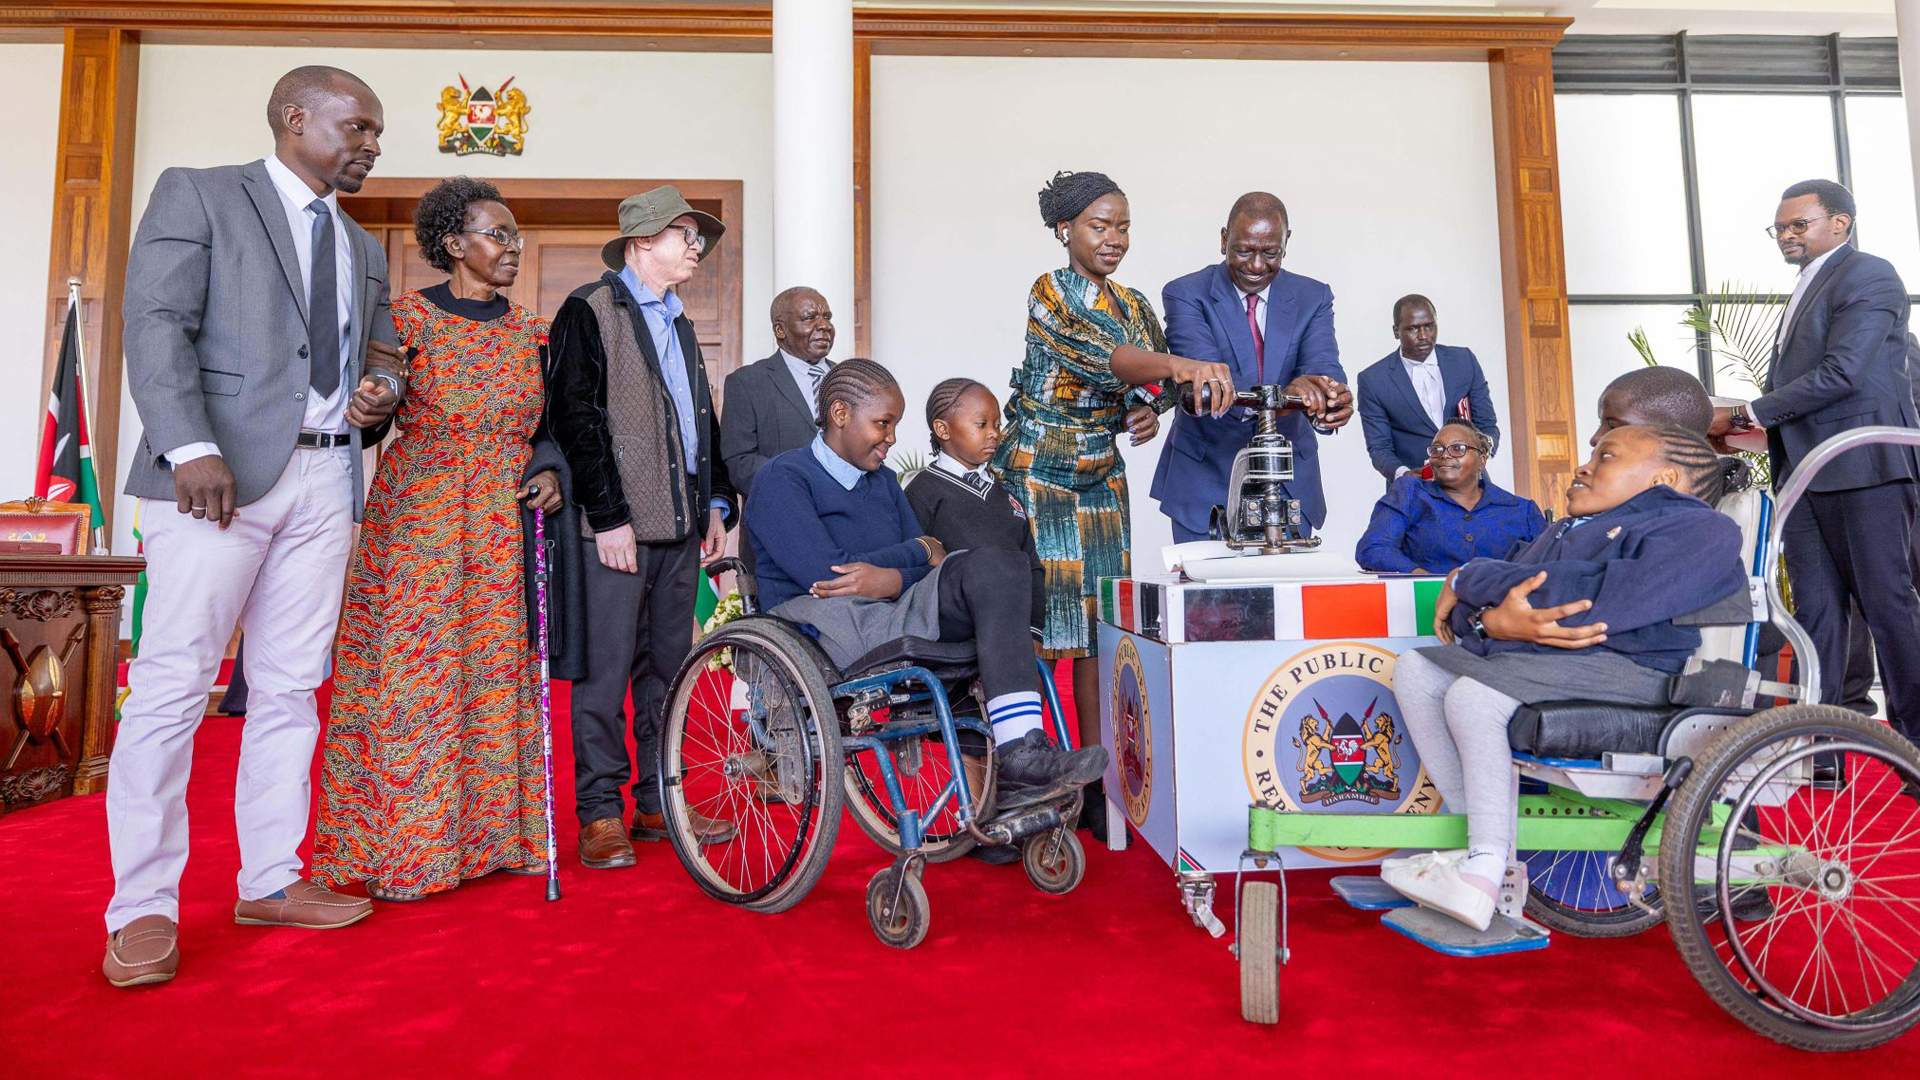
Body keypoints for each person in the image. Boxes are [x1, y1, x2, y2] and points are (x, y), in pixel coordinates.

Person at [104, 65, 404, 988]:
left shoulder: (361, 245)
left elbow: (381, 347)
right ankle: (141, 907)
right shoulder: (200, 195)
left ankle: (270, 876)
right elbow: (155, 323)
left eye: (376, 134)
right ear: (295, 118)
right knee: (172, 686)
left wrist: (380, 393)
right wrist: (188, 444)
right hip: (214, 482)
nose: (370, 145)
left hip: (326, 478)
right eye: (357, 127)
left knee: (288, 685)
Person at [1381, 425, 1748, 930]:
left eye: (1607, 456)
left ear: (1664, 478)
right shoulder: (1565, 530)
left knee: (1473, 698)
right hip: (1552, 664)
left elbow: (1587, 597)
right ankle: (1478, 848)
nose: (1584, 465)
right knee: (1417, 669)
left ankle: (1486, 867)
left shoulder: (1696, 527)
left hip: (1636, 672)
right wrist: (1490, 613)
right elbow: (1494, 610)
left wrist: (1468, 576)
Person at [311, 177, 563, 901]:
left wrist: (548, 468)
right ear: (455, 244)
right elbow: (380, 390)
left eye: (515, 238)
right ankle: (407, 848)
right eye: (496, 235)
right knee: (415, 680)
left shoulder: (532, 333)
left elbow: (550, 430)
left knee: (491, 671)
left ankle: (492, 841)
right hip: (420, 518)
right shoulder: (405, 319)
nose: (511, 248)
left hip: (499, 524)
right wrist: (373, 399)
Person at [749, 360, 1106, 797]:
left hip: (896, 610)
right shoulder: (783, 478)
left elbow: (932, 554)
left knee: (999, 562)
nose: (892, 438)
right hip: (826, 627)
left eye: (895, 424)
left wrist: (892, 574)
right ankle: (1012, 765)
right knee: (967, 569)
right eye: (883, 423)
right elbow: (829, 575)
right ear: (841, 414)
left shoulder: (880, 482)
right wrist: (913, 554)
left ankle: (1021, 752)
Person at [995, 170, 1234, 773]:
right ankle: (1027, 771)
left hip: (1101, 475)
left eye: (1123, 227)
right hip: (1040, 472)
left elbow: (1149, 382)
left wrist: (1145, 408)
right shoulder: (1047, 292)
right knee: (1040, 624)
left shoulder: (1133, 304)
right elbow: (1111, 356)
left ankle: (1098, 780)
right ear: (1064, 229)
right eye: (1100, 226)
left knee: (1099, 623)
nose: (1115, 239)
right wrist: (1177, 367)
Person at [545, 186, 738, 870]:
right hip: (617, 531)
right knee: (602, 678)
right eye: (683, 235)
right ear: (639, 244)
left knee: (667, 672)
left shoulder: (682, 322)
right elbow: (577, 422)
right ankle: (599, 812)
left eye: (696, 237)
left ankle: (659, 802)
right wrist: (608, 518)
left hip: (682, 526)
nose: (695, 247)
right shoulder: (589, 310)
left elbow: (699, 423)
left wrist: (716, 501)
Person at [1708, 179, 1920, 741]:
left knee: (1885, 602)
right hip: (1804, 476)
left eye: (1798, 224)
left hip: (1864, 468)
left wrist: (1741, 413)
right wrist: (1745, 430)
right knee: (1818, 614)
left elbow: (1844, 372)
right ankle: (1821, 745)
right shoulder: (1807, 286)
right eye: (1779, 227)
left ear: (1840, 223)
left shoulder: (1869, 273)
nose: (1786, 235)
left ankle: (1914, 738)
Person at [1152, 191, 1354, 543]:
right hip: (1205, 484)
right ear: (1223, 239)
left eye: (1270, 253)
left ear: (1286, 242)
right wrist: (1290, 394)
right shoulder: (1186, 293)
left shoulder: (1314, 296)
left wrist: (1329, 398)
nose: (1257, 265)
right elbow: (1206, 377)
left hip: (1290, 485)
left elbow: (1324, 367)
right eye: (1244, 250)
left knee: (1285, 599)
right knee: (1207, 600)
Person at [1354, 422, 1543, 574]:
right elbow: (1373, 548)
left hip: (1504, 612)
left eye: (1457, 448)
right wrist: (1422, 578)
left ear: (1482, 460)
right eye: (1436, 450)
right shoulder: (1410, 493)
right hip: (1426, 606)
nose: (1444, 455)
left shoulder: (1521, 510)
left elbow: (1553, 564)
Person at [1356, 295, 1500, 482]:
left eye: (1429, 326)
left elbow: (1487, 424)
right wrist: (1405, 475)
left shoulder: (1464, 361)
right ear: (1396, 331)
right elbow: (1379, 448)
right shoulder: (1374, 380)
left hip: (1472, 484)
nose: (1423, 335)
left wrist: (1483, 450)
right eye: (1413, 328)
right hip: (1414, 489)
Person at [721, 286, 837, 496]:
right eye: (810, 317)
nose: (825, 326)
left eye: (827, 317)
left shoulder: (851, 377)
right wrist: (804, 483)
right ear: (780, 330)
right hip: (779, 514)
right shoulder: (747, 382)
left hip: (846, 518)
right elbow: (740, 463)